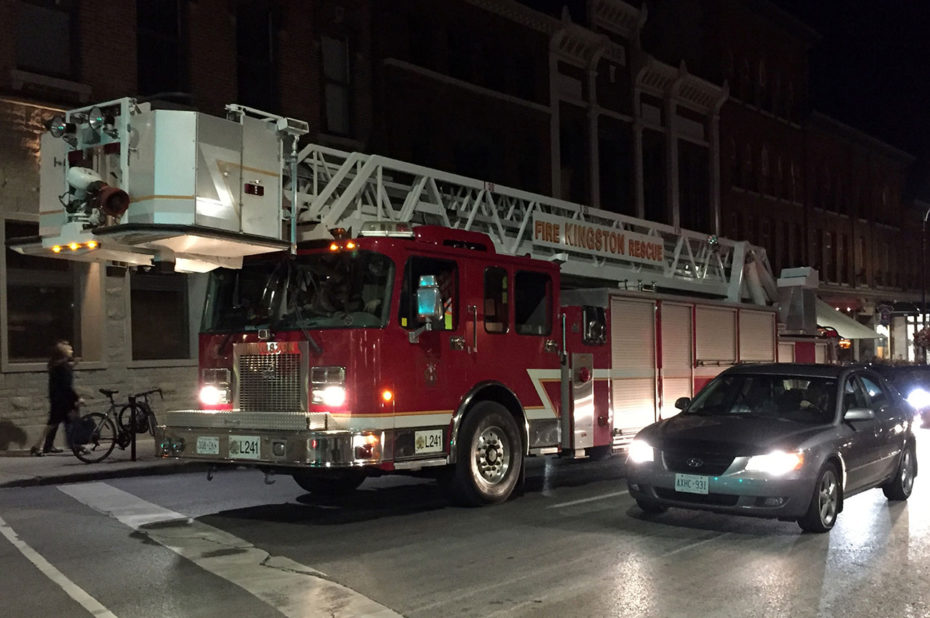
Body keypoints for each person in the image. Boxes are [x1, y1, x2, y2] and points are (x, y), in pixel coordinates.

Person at [30, 340, 81, 456]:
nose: (72, 350)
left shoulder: (56, 365)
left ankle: (46, 446)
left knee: (55, 423)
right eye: (69, 349)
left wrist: (72, 365)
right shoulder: (63, 367)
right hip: (63, 400)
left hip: (57, 398)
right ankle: (74, 446)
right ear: (63, 352)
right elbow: (66, 386)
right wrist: (77, 398)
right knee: (66, 422)